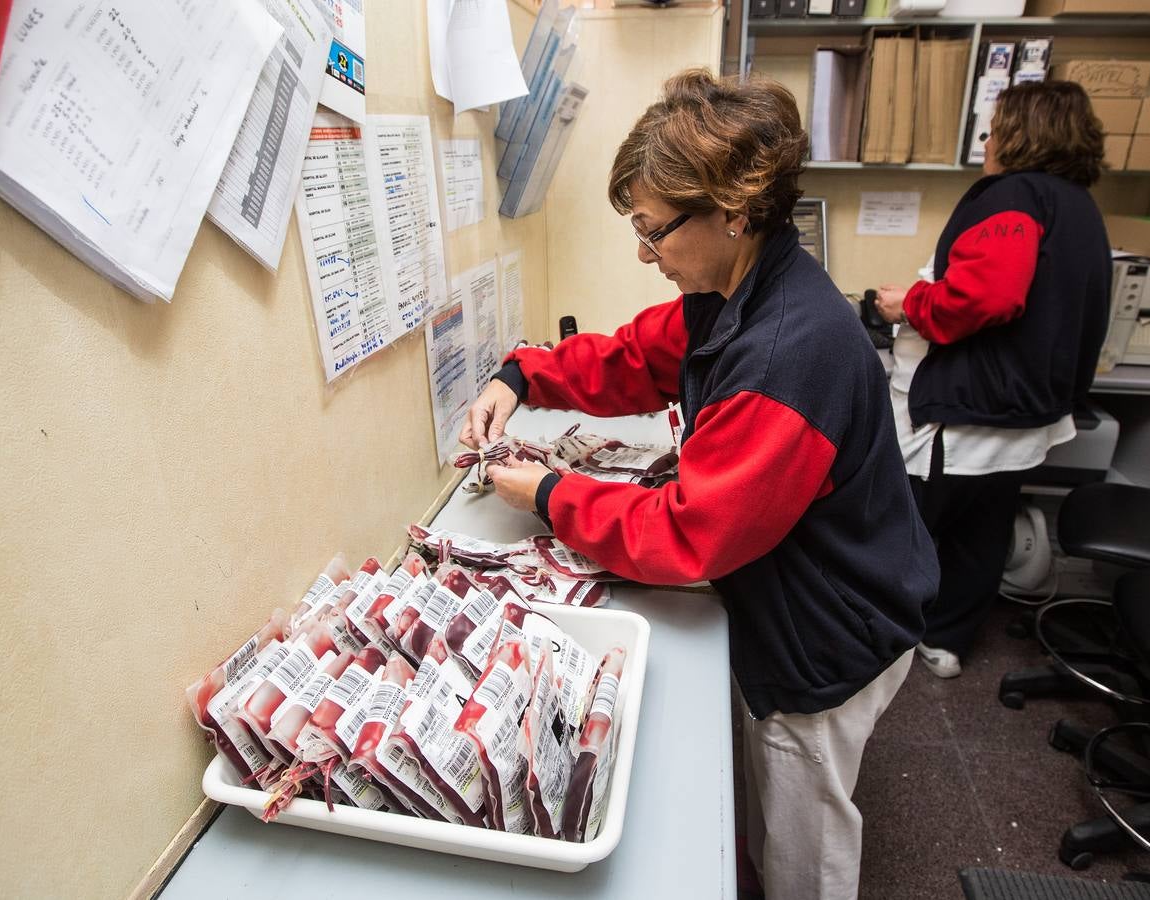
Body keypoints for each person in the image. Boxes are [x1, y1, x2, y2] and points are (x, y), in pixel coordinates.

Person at [460, 70, 938, 900]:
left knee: (803, 836)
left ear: (733, 208)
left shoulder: (788, 351)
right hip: (809, 586)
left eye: (653, 232)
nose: (644, 255)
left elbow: (687, 534)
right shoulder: (735, 292)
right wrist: (521, 376)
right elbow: (635, 358)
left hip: (827, 633)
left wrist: (544, 494)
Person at [873, 80, 1112, 679]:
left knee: (911, 528)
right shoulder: (1078, 205)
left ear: (1019, 133)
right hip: (1025, 414)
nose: (986, 141)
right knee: (983, 534)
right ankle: (948, 642)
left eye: (994, 127)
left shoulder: (1011, 195)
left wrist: (911, 304)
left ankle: (885, 638)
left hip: (968, 414)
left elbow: (991, 293)